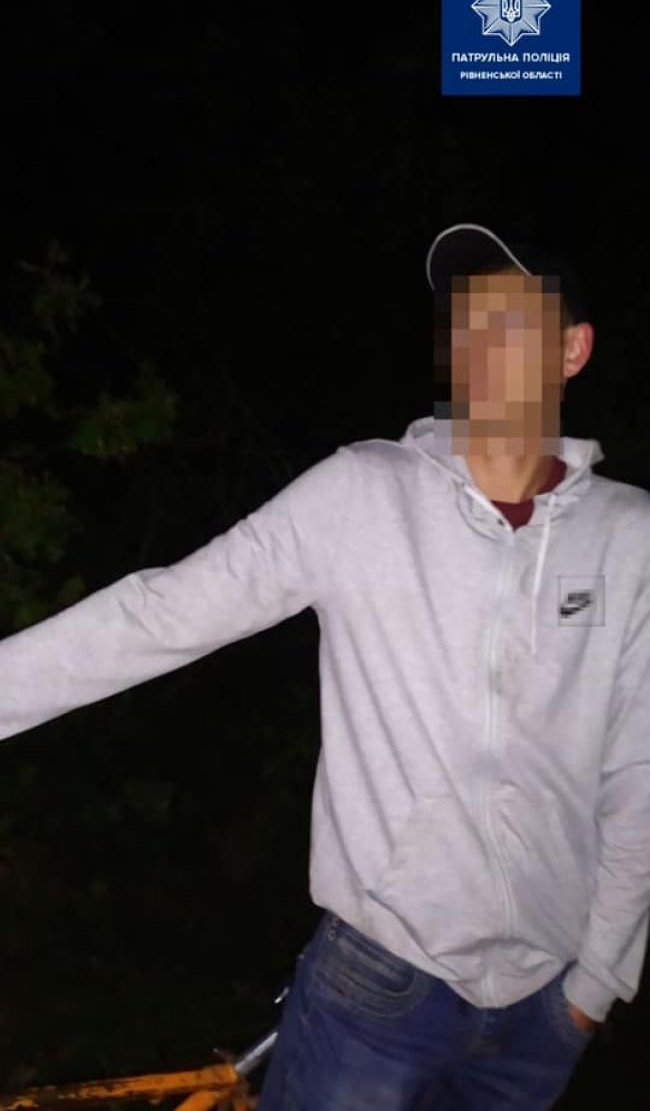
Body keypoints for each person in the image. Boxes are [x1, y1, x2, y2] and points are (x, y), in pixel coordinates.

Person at [1, 223, 649, 1109]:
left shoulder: (628, 536)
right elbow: (159, 612)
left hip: (542, 1011)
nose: (480, 345)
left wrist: (595, 984)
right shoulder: (364, 493)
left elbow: (637, 770)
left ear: (572, 350)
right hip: (378, 987)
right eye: (466, 321)